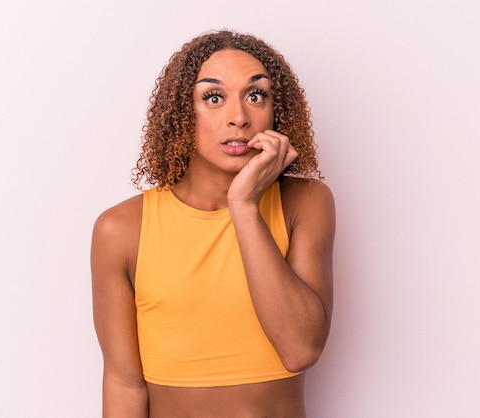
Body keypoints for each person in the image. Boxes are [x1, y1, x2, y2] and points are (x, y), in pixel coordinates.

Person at [91, 30, 335, 418]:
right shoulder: (120, 229)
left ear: (277, 111)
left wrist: (243, 204)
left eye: (256, 95)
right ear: (180, 112)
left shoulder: (304, 203)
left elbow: (300, 349)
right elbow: (124, 384)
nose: (238, 118)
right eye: (214, 97)